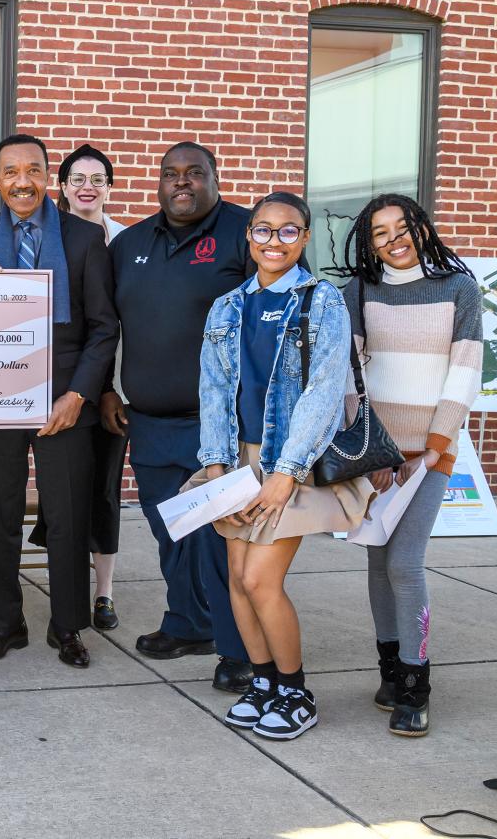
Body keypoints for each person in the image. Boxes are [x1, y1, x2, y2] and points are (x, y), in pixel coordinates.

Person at [198, 192, 373, 741]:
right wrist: (215, 463)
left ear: (304, 238)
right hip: (236, 460)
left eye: (288, 231)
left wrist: (286, 472)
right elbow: (214, 388)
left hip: (287, 459)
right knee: (237, 581)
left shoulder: (321, 301)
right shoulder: (226, 307)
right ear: (248, 236)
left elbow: (323, 391)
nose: (274, 241)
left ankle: (296, 692)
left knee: (260, 579)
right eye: (263, 230)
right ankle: (265, 683)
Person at [0, 134, 119, 667]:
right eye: (10, 172)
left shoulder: (83, 238)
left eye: (32, 170)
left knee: (68, 515)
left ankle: (67, 626)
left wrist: (79, 394)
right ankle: (5, 623)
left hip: (65, 400)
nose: (22, 181)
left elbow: (103, 328)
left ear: (48, 177)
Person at [106, 142, 253, 693]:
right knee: (173, 532)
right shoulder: (129, 244)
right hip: (149, 421)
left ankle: (239, 647)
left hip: (220, 426)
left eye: (195, 173)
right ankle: (189, 624)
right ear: (158, 182)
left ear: (215, 178)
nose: (182, 183)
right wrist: (106, 389)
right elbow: (107, 325)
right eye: (171, 174)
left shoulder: (246, 232)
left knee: (221, 539)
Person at [335, 194, 481, 737]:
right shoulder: (359, 291)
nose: (393, 239)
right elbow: (348, 373)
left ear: (421, 227)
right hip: (377, 454)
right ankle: (390, 671)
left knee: (405, 563)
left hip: (432, 453)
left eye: (402, 226)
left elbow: (464, 373)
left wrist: (433, 445)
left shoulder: (458, 287)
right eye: (379, 232)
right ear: (367, 243)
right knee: (378, 561)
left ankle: (417, 683)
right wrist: (374, 449)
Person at [56, 143, 127, 631]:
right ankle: (67, 586)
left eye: (97, 179)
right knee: (67, 497)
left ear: (108, 187)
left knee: (103, 490)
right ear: (62, 187)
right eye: (78, 178)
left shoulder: (126, 241)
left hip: (113, 387)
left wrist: (114, 387)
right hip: (67, 387)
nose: (87, 186)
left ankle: (103, 593)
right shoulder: (48, 238)